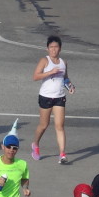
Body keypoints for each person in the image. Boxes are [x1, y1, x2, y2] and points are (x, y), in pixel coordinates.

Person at [30, 36, 73, 165]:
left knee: (60, 126)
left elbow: (65, 78)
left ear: (60, 48)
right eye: (51, 47)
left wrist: (70, 86)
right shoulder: (45, 61)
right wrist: (50, 72)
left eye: (56, 47)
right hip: (46, 97)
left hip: (59, 97)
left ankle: (62, 154)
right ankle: (36, 144)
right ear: (47, 48)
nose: (54, 50)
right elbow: (35, 76)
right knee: (44, 125)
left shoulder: (63, 62)